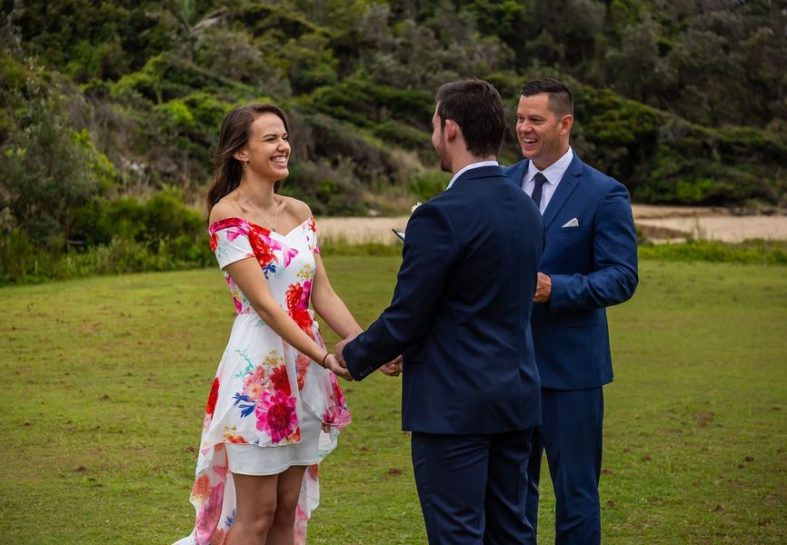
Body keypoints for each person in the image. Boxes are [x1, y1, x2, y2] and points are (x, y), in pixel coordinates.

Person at [334, 79, 544, 545]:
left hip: (453, 409)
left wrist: (356, 353)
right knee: (512, 533)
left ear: (450, 129)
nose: (433, 137)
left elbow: (408, 314)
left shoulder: (439, 215)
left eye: (434, 126)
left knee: (457, 535)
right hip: (516, 400)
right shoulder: (526, 207)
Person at [174, 103, 357, 545]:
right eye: (271, 138)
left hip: (305, 372)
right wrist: (327, 357)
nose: (283, 146)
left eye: (285, 137)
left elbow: (322, 293)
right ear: (241, 151)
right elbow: (266, 306)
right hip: (260, 371)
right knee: (255, 517)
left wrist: (366, 343)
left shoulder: (299, 211)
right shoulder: (227, 215)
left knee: (285, 512)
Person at [503, 78, 639, 545]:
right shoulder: (502, 183)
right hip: (506, 369)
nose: (524, 128)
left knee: (577, 497)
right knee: (511, 498)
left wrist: (555, 289)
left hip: (572, 374)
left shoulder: (604, 192)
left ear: (565, 124)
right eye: (520, 118)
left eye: (535, 120)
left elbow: (621, 276)